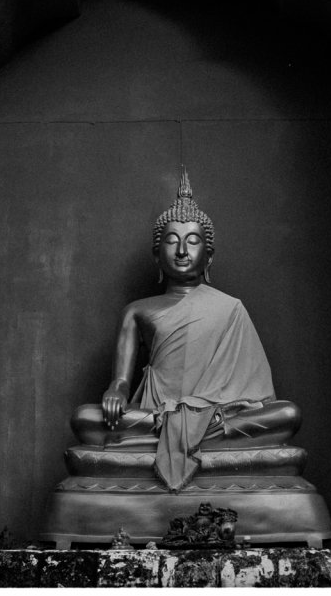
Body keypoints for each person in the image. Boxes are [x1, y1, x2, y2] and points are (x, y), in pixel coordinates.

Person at [70, 170, 301, 491]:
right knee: (86, 420)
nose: (181, 250)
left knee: (287, 415)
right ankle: (186, 438)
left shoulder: (230, 307)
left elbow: (254, 393)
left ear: (208, 256)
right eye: (171, 241)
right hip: (155, 417)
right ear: (156, 254)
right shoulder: (137, 311)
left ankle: (192, 436)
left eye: (193, 241)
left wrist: (211, 416)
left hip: (219, 418)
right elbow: (122, 381)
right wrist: (117, 391)